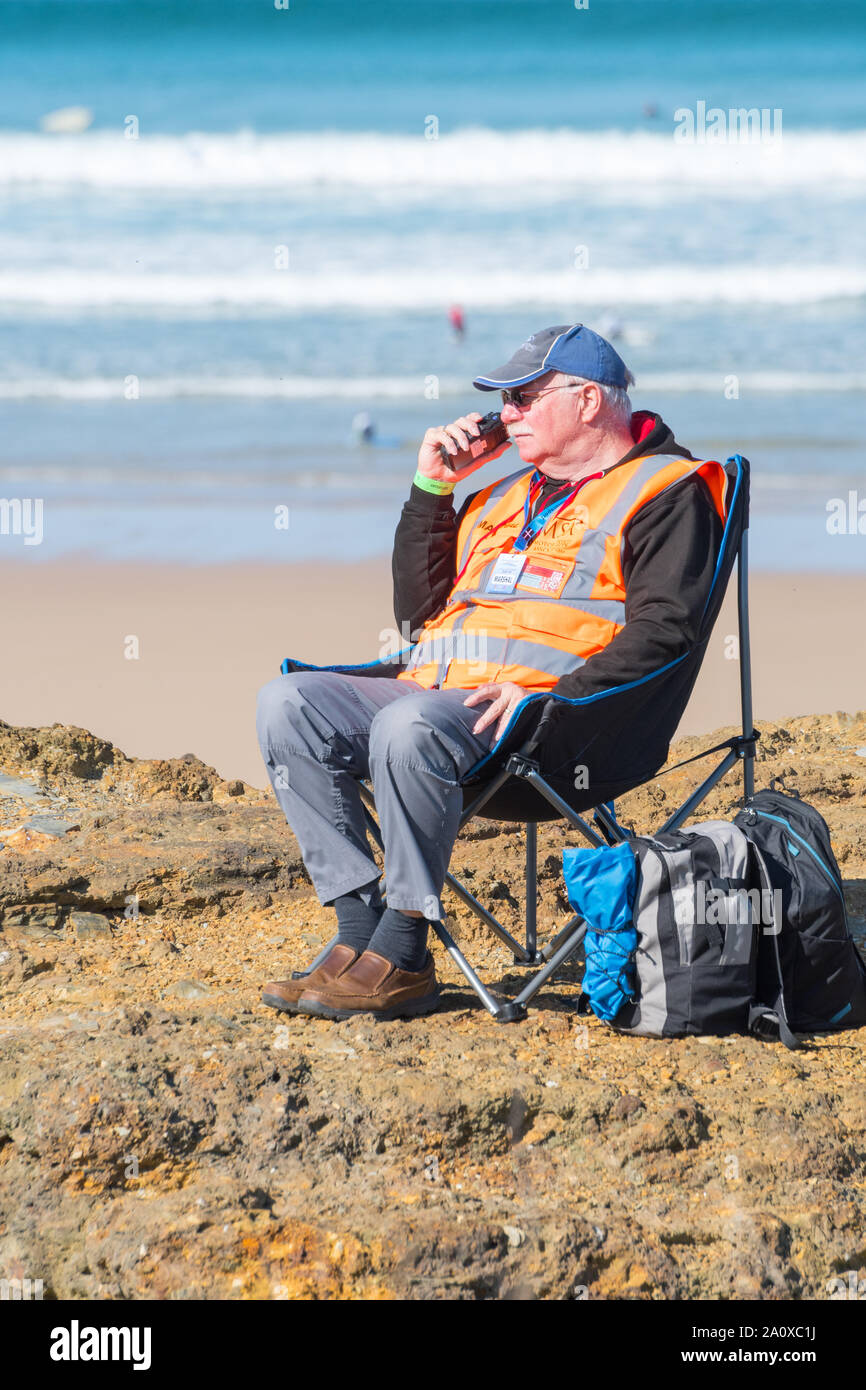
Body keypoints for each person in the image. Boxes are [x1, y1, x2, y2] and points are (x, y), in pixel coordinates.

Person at [257, 324, 727, 1021]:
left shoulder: (666, 491)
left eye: (524, 398)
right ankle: (358, 930)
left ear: (589, 401)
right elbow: (420, 620)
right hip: (436, 701)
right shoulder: (501, 497)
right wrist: (431, 490)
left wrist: (553, 694)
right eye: (503, 401)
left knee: (406, 724)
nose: (505, 415)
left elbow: (666, 633)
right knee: (288, 703)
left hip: (561, 730)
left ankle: (405, 950)